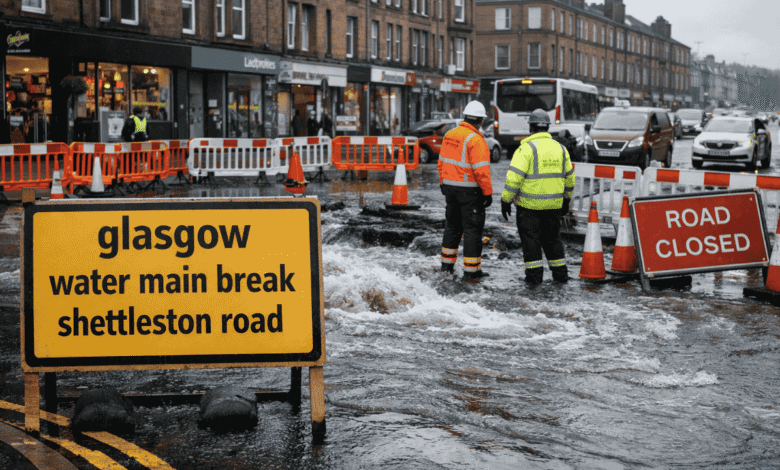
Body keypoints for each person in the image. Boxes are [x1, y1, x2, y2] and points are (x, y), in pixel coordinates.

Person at [500, 109, 575, 284]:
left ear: (531, 127)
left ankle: (534, 279)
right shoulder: (561, 149)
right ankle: (561, 276)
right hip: (554, 206)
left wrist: (506, 200)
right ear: (547, 127)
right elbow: (569, 177)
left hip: (529, 207)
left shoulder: (526, 149)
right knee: (553, 240)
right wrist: (566, 199)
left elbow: (514, 179)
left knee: (531, 241)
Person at [437, 100, 493, 280]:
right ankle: (471, 271)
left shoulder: (449, 135)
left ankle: (446, 266)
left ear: (466, 117)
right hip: (470, 192)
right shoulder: (476, 140)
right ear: (481, 120)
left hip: (450, 189)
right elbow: (482, 171)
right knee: (472, 230)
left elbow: (441, 163)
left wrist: (442, 183)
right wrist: (487, 192)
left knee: (452, 227)